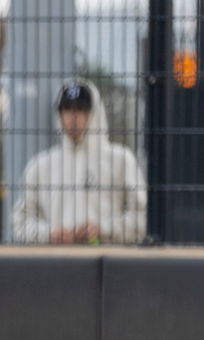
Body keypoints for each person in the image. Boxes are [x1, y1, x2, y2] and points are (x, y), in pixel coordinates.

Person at [12, 79, 147, 244]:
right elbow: (21, 219)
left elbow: (142, 216)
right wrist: (49, 234)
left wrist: (104, 229)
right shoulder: (40, 166)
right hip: (57, 261)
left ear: (94, 113)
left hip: (107, 261)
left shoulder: (120, 160)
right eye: (67, 109)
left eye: (81, 110)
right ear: (59, 115)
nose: (73, 117)